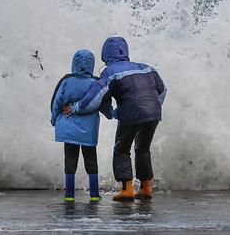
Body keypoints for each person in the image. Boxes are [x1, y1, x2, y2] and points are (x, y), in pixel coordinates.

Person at [62, 37, 166, 201]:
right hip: (153, 114)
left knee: (122, 149)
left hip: (130, 114)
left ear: (105, 56)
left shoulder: (110, 72)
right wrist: (153, 107)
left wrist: (74, 108)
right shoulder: (147, 68)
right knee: (142, 149)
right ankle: (146, 188)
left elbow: (95, 97)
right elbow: (162, 91)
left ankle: (127, 190)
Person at [51, 49, 112, 202]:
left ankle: (70, 195)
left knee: (70, 161)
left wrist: (53, 119)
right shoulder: (96, 82)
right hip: (88, 130)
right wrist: (111, 114)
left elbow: (56, 102)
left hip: (68, 127)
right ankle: (94, 194)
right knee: (91, 161)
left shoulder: (66, 80)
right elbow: (103, 102)